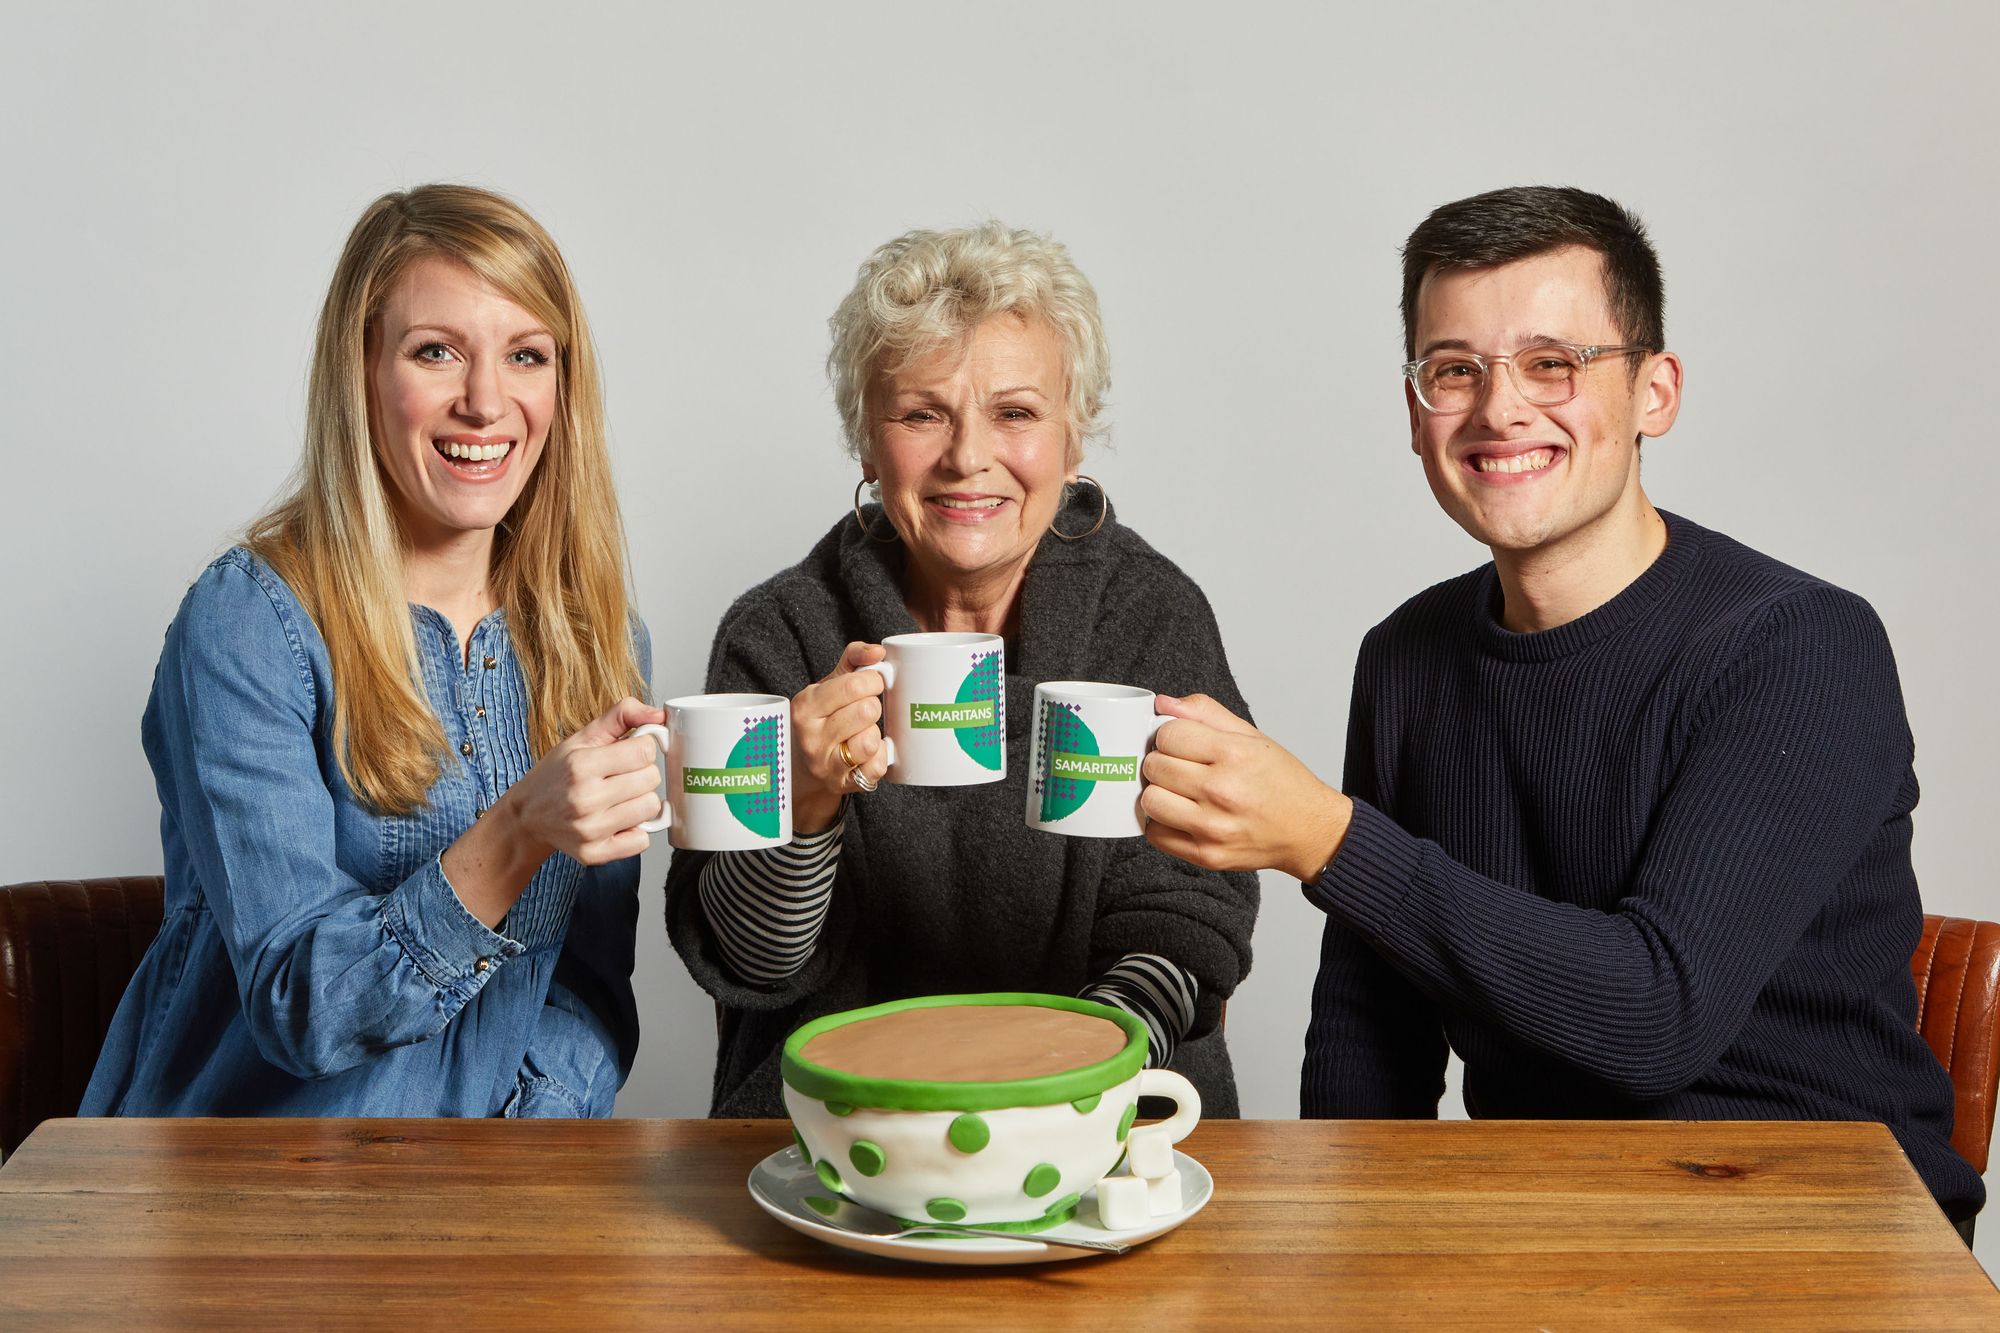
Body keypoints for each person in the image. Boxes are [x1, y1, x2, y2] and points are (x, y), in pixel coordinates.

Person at [1138, 185, 1982, 1224]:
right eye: (1454, 371)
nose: (1500, 409)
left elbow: (1654, 1016)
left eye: (1552, 363)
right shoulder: (1404, 657)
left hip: (1815, 1223)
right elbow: (1371, 1030)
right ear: (1414, 412)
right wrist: (1351, 1251)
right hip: (1538, 1217)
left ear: (1653, 393)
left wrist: (1326, 835)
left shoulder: (1796, 645)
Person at [82, 185, 665, 1119]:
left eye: (526, 355)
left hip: (493, 1194)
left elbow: (587, 987)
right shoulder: (249, 623)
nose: (486, 402)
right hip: (248, 1195)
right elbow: (301, 1007)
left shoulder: (593, 633)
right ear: (361, 373)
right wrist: (516, 832)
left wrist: (510, 1160)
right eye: (436, 352)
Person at [665, 222, 1258, 1117]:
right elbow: (751, 963)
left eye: (1015, 412)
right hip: (837, 1130)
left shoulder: (1150, 613)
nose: (967, 456)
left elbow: (1191, 926)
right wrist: (805, 806)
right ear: (867, 441)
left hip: (1097, 1113)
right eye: (921, 413)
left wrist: (1051, 1085)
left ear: (1074, 436)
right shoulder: (782, 632)